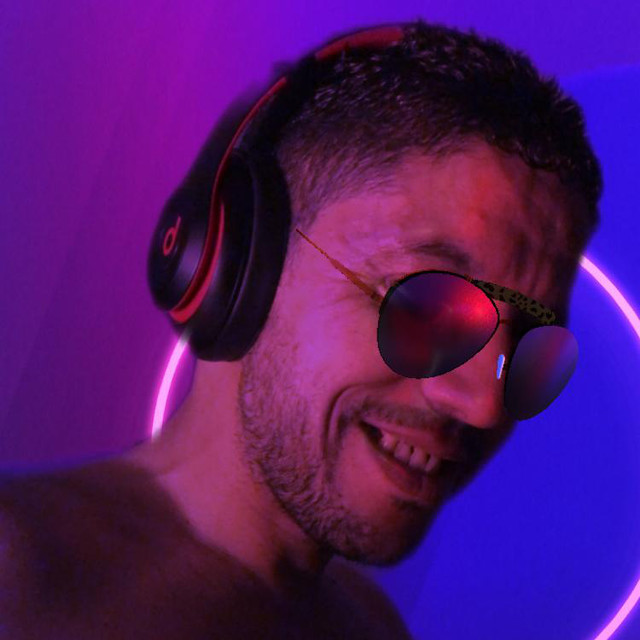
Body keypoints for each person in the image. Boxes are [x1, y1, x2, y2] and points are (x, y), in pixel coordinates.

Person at [0, 19, 602, 640]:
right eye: (428, 305)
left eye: (529, 348)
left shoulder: (374, 628)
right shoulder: (16, 576)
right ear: (239, 257)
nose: (483, 405)